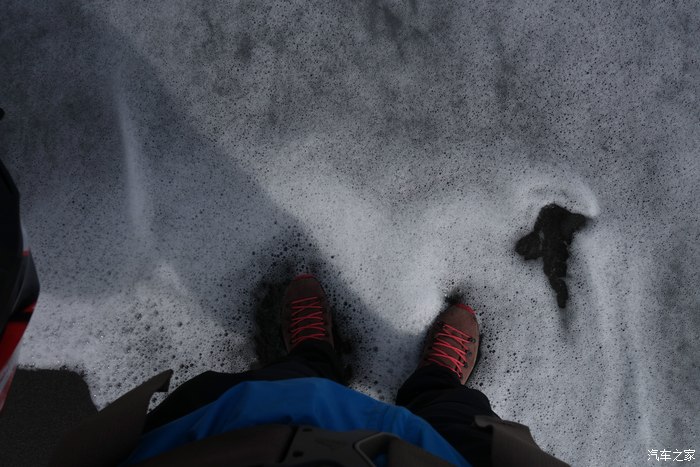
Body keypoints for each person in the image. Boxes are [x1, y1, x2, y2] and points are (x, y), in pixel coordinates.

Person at [50, 274, 568, 467]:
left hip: (222, 449)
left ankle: (313, 356)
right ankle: (437, 385)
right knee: (460, 426)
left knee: (277, 392)